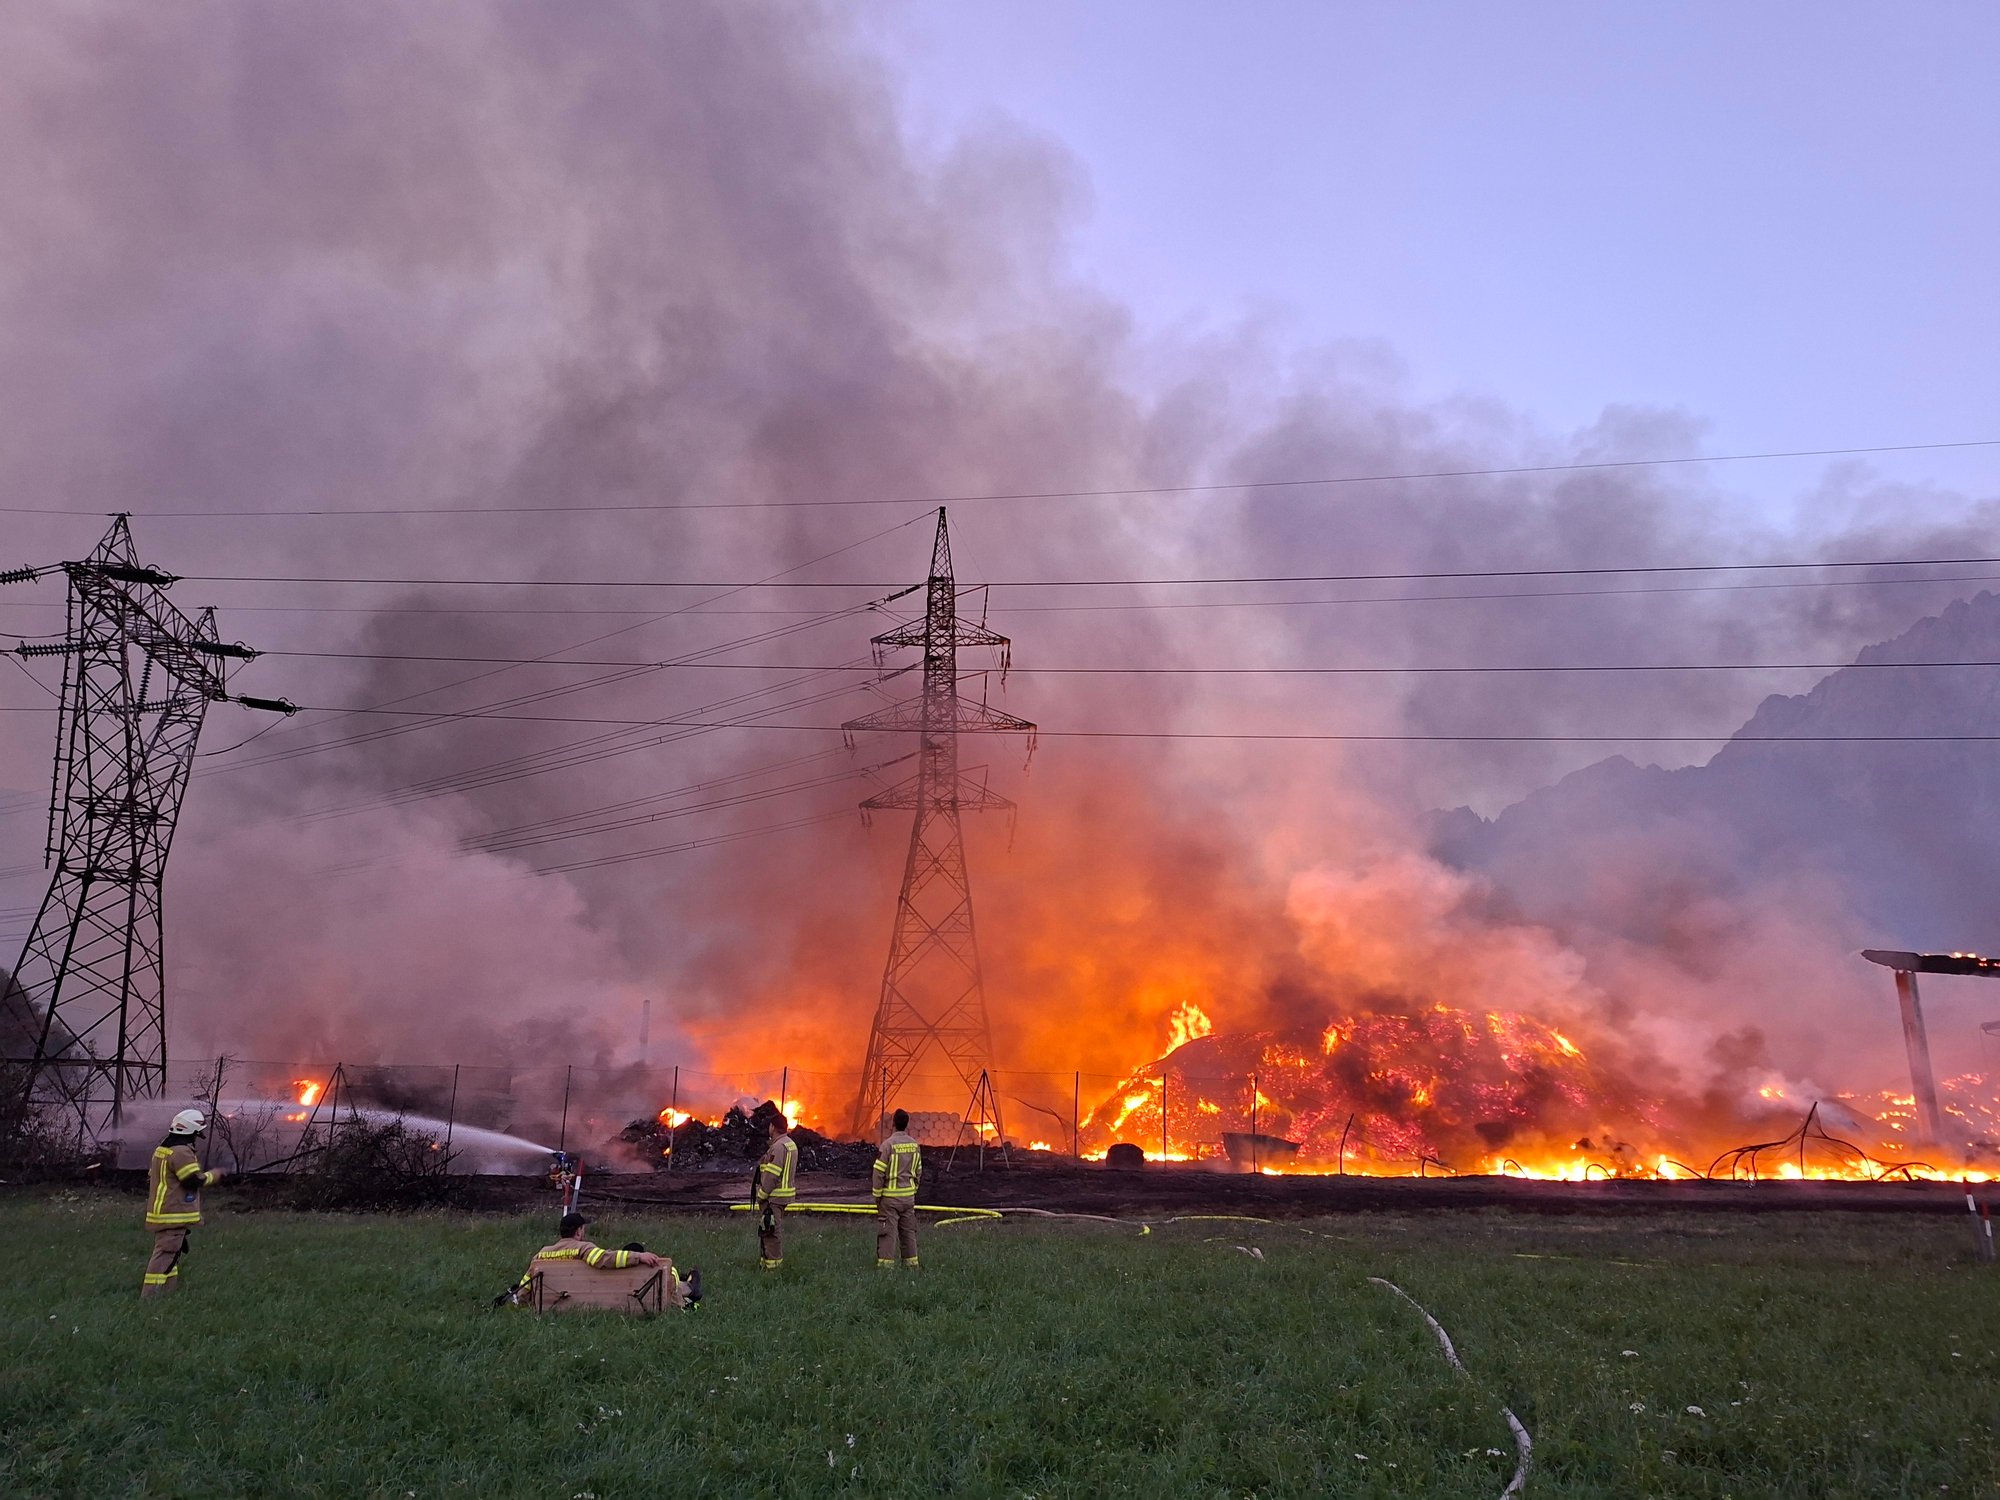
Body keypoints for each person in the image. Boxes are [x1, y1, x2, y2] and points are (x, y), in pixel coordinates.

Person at [509, 1212, 700, 1307]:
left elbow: (527, 1283)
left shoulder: (541, 1254)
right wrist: (638, 1256)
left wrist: (517, 1300)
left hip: (555, 1304)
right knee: (670, 1277)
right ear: (579, 1231)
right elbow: (604, 1259)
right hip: (600, 1299)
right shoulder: (582, 1248)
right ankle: (689, 1286)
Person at [142, 1108, 225, 1299]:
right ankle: (149, 1297)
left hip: (164, 1211)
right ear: (192, 1131)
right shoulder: (181, 1152)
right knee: (165, 1254)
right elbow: (191, 1181)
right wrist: (215, 1175)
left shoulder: (163, 1149)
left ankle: (168, 1293)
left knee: (171, 1255)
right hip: (173, 1212)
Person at [873, 1108, 923, 1269]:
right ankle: (912, 1266)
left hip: (890, 1199)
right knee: (909, 1233)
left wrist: (877, 1196)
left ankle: (886, 1269)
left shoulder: (888, 1145)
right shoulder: (914, 1145)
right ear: (907, 1124)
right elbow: (919, 1171)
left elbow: (879, 1172)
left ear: (893, 1124)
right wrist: (913, 1190)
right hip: (908, 1199)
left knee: (888, 1234)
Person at [753, 1113, 798, 1269]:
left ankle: (772, 1267)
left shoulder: (778, 1147)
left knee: (771, 1231)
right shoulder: (789, 1144)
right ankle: (766, 1262)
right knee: (770, 1228)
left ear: (773, 1127)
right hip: (783, 1196)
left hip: (774, 1197)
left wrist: (762, 1195)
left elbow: (772, 1174)